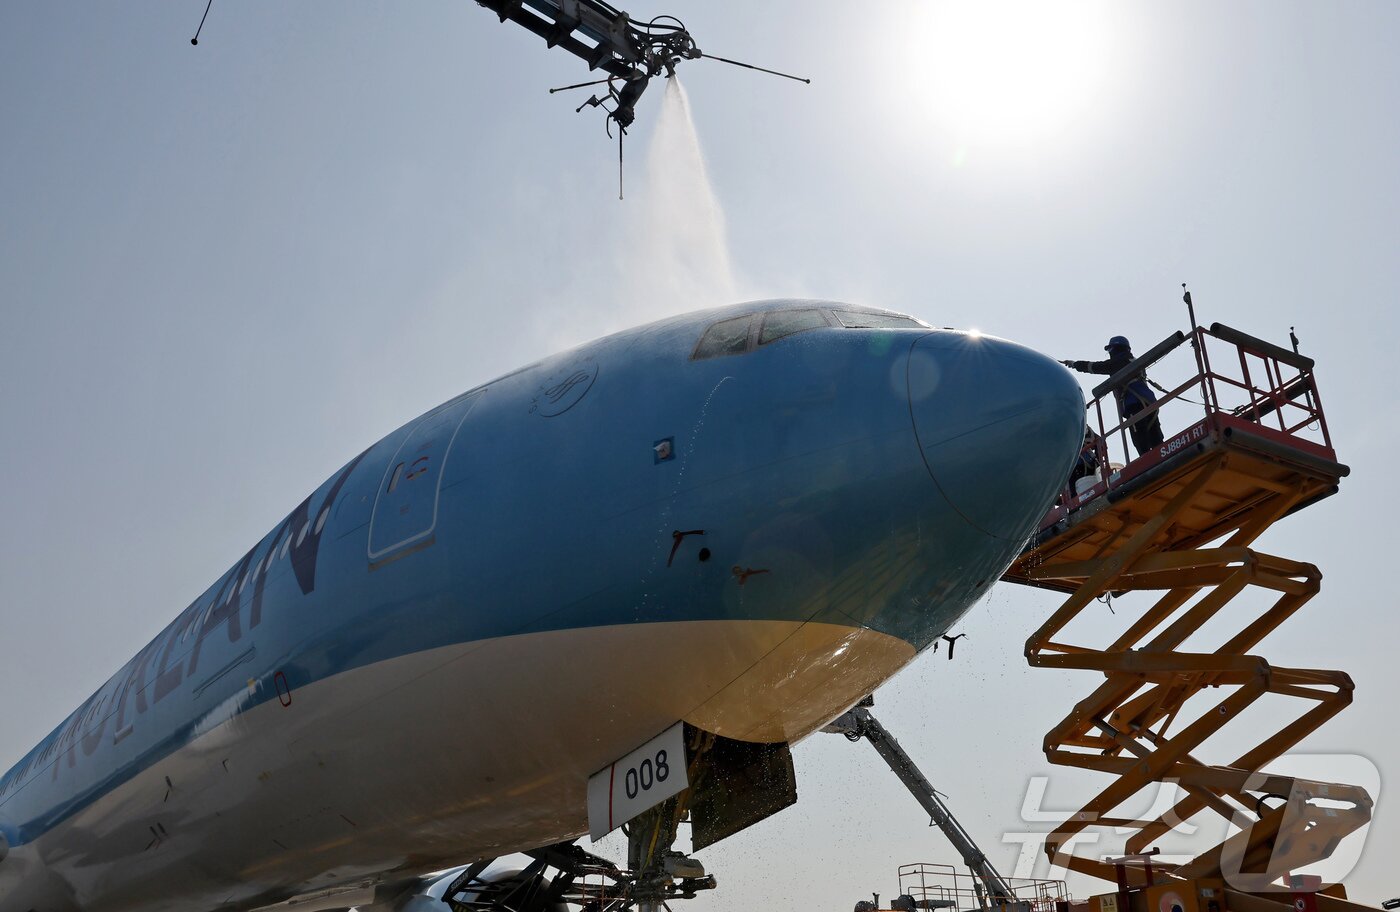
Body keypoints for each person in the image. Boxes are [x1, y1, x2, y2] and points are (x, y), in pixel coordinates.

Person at [1062, 336, 1165, 456]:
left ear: (1116, 349)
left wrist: (1075, 364)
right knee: (1155, 435)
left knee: (1140, 439)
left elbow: (1096, 367)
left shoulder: (1119, 362)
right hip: (1149, 402)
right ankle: (1163, 456)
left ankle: (1148, 463)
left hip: (1134, 403)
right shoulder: (1132, 360)